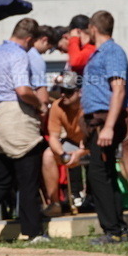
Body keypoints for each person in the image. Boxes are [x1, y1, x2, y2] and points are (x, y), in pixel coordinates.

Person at [0, 17, 48, 243]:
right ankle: (33, 232)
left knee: (0, 181)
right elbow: (23, 89)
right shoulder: (19, 54)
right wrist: (40, 104)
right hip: (17, 118)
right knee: (28, 180)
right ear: (29, 39)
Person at [81, 10, 128, 244]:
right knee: (105, 173)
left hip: (106, 120)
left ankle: (112, 230)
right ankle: (118, 227)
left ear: (93, 28)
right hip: (100, 121)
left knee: (98, 174)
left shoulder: (112, 51)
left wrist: (109, 126)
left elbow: (119, 89)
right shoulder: (101, 52)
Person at [42, 71, 89, 215]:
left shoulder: (89, 105)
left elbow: (95, 137)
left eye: (68, 91)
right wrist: (63, 155)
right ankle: (55, 203)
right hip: (73, 143)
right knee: (48, 155)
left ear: (79, 92)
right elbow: (54, 137)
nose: (63, 95)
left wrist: (80, 153)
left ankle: (92, 199)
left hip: (92, 143)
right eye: (61, 90)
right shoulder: (57, 105)